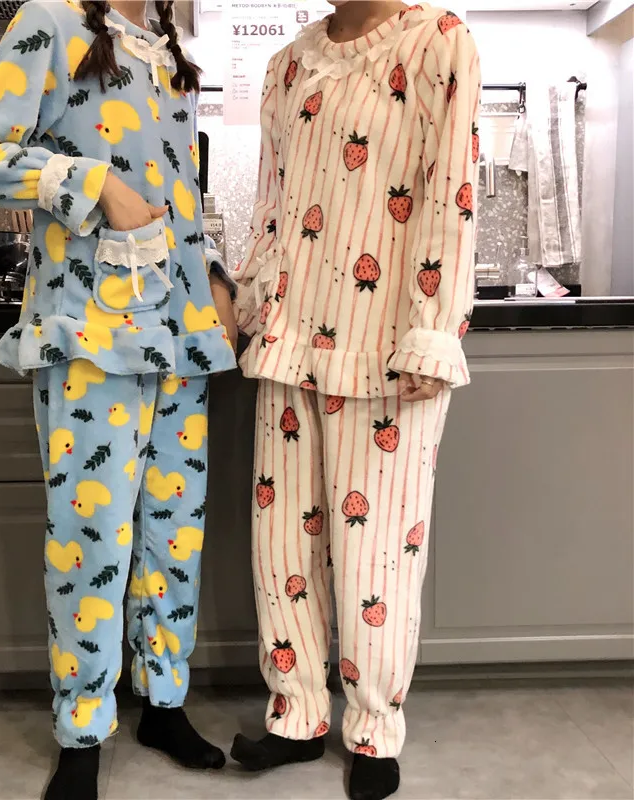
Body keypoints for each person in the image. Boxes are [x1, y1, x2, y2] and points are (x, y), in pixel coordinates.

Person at [0, 2, 238, 798]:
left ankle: (163, 703)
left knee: (174, 533)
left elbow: (173, 191)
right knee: (90, 541)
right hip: (90, 331)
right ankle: (81, 731)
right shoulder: (51, 21)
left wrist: (213, 277)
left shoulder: (165, 48)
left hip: (179, 331)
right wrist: (91, 182)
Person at [228, 2, 480, 799]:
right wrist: (251, 304)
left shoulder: (439, 41)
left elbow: (451, 196)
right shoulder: (288, 64)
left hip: (388, 349)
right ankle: (296, 714)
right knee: (282, 549)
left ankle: (373, 730)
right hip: (290, 340)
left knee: (379, 557)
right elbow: (271, 205)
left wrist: (433, 329)